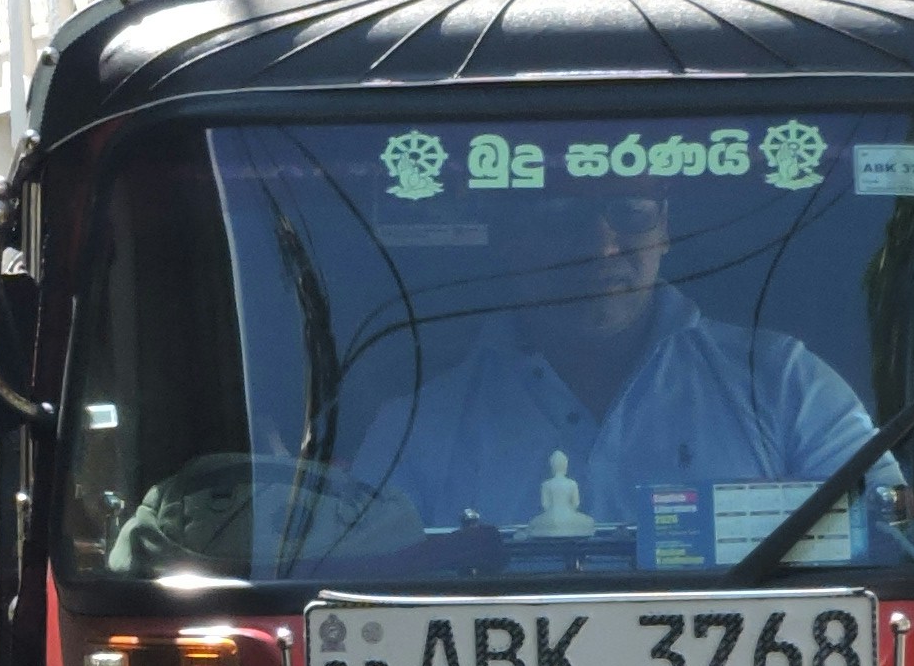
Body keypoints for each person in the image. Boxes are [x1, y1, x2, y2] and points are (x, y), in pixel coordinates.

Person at [369, 183, 872, 541]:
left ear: (665, 228)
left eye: (630, 211)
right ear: (508, 239)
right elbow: (360, 602)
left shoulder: (785, 385)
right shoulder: (414, 430)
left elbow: (895, 536)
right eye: (558, 212)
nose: (599, 246)